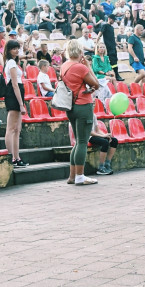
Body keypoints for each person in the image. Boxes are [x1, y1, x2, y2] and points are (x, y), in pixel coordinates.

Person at [61, 39, 100, 185]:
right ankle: (80, 176)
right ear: (79, 51)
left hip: (70, 107)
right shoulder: (80, 67)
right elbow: (96, 84)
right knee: (83, 142)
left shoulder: (64, 65)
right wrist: (88, 66)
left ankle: (72, 176)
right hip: (83, 105)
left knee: (78, 143)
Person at [3, 40, 29, 167]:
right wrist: (20, 104)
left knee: (17, 129)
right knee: (11, 128)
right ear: (8, 50)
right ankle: (11, 157)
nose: (16, 50)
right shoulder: (11, 62)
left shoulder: (13, 61)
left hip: (17, 93)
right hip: (14, 94)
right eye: (14, 48)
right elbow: (14, 84)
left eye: (17, 48)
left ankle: (17, 157)